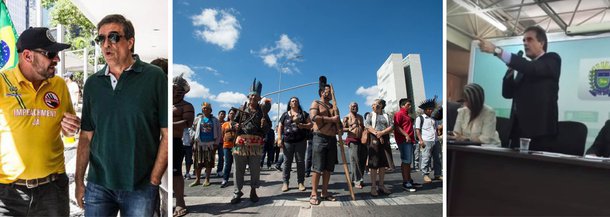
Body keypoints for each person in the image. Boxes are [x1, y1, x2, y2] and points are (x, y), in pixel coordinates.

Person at [75, 14, 168, 216]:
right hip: (98, 185)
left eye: (114, 37)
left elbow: (167, 134)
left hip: (140, 186)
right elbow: (86, 136)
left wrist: (154, 179)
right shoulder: (92, 84)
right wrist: (79, 181)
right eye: (101, 39)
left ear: (130, 42)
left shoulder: (155, 77)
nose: (106, 44)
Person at [0, 27, 80, 216]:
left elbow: (68, 132)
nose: (57, 59)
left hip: (52, 190)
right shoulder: (2, 83)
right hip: (8, 194)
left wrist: (71, 128)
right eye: (50, 53)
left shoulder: (59, 85)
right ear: (27, 55)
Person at [478, 25, 561, 151]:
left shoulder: (552, 59)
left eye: (529, 39)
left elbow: (532, 68)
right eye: (523, 40)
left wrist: (497, 50)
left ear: (541, 43)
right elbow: (507, 94)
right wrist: (509, 74)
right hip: (517, 130)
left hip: (540, 132)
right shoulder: (523, 69)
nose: (525, 43)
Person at [230, 78, 272, 204]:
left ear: (259, 98)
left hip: (255, 144)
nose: (253, 97)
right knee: (238, 169)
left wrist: (264, 125)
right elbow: (233, 122)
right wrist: (234, 125)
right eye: (252, 95)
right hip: (241, 143)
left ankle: (253, 190)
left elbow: (267, 129)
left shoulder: (262, 111)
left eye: (256, 95)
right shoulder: (242, 108)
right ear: (248, 96)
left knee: (255, 169)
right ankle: (237, 192)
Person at [308, 77, 340, 205]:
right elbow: (314, 117)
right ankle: (314, 193)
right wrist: (331, 120)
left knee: (328, 168)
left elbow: (339, 122)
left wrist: (340, 127)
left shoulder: (334, 106)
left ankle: (325, 192)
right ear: (322, 92)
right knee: (318, 168)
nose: (331, 94)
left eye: (332, 92)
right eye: (328, 91)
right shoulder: (316, 103)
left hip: (332, 139)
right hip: (319, 138)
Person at [278, 97, 313, 192]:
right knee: (286, 162)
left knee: (300, 162)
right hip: (287, 142)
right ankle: (285, 182)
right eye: (292, 101)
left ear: (298, 103)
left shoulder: (304, 114)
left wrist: (303, 125)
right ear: (290, 104)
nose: (294, 102)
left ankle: (301, 182)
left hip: (301, 141)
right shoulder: (285, 115)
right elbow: (280, 127)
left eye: (296, 101)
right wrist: (279, 139)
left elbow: (311, 125)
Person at [172, 74, 194, 217]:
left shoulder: (186, 106)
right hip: (156, 141)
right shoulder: (163, 102)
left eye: (176, 89)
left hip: (174, 141)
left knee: (176, 172)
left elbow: (187, 123)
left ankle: (180, 202)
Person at [364, 99, 393, 196]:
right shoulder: (370, 115)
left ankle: (381, 186)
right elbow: (367, 126)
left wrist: (382, 133)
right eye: (373, 104)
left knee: (382, 164)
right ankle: (373, 187)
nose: (374, 106)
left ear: (381, 105)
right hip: (374, 138)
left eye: (376, 104)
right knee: (374, 163)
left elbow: (391, 126)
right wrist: (377, 134)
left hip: (385, 138)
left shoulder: (386, 115)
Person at [191, 102, 220, 187]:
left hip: (210, 143)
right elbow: (192, 130)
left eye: (207, 108)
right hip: (199, 143)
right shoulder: (197, 119)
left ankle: (207, 179)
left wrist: (216, 143)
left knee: (209, 162)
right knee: (197, 162)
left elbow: (219, 132)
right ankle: (197, 179)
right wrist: (193, 139)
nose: (205, 109)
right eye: (204, 108)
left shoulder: (215, 120)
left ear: (210, 110)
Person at [393, 98, 417, 192]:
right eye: (408, 105)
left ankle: (409, 180)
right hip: (403, 140)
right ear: (402, 105)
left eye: (410, 105)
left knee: (408, 161)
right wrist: (406, 135)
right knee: (406, 161)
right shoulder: (399, 114)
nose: (410, 106)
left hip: (409, 140)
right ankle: (405, 182)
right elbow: (396, 126)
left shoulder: (407, 115)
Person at [415, 97, 441, 184]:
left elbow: (437, 129)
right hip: (426, 140)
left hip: (436, 140)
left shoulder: (434, 119)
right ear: (425, 110)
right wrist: (421, 140)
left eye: (432, 109)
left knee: (438, 158)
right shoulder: (420, 118)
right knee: (426, 157)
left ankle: (438, 174)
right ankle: (425, 174)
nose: (430, 111)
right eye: (429, 109)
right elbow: (417, 130)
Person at [342, 102, 366, 189]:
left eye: (356, 106)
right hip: (352, 141)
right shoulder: (346, 117)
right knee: (355, 161)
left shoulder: (360, 117)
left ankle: (356, 179)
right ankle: (357, 180)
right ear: (349, 107)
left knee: (361, 161)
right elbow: (341, 130)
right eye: (353, 106)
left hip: (361, 141)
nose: (354, 108)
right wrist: (350, 126)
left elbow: (362, 127)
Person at [220, 108, 238, 188]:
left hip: (236, 147)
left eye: (233, 113)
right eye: (230, 113)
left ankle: (237, 180)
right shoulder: (224, 124)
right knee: (227, 163)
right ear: (228, 115)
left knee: (237, 163)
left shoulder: (238, 124)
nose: (232, 115)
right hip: (226, 146)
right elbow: (222, 134)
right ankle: (225, 179)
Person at [217, 110, 226, 177]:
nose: (222, 115)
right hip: (213, 142)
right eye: (221, 114)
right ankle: (207, 171)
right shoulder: (215, 122)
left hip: (222, 143)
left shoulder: (226, 123)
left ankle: (219, 170)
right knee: (210, 157)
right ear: (218, 115)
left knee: (221, 157)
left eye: (224, 114)